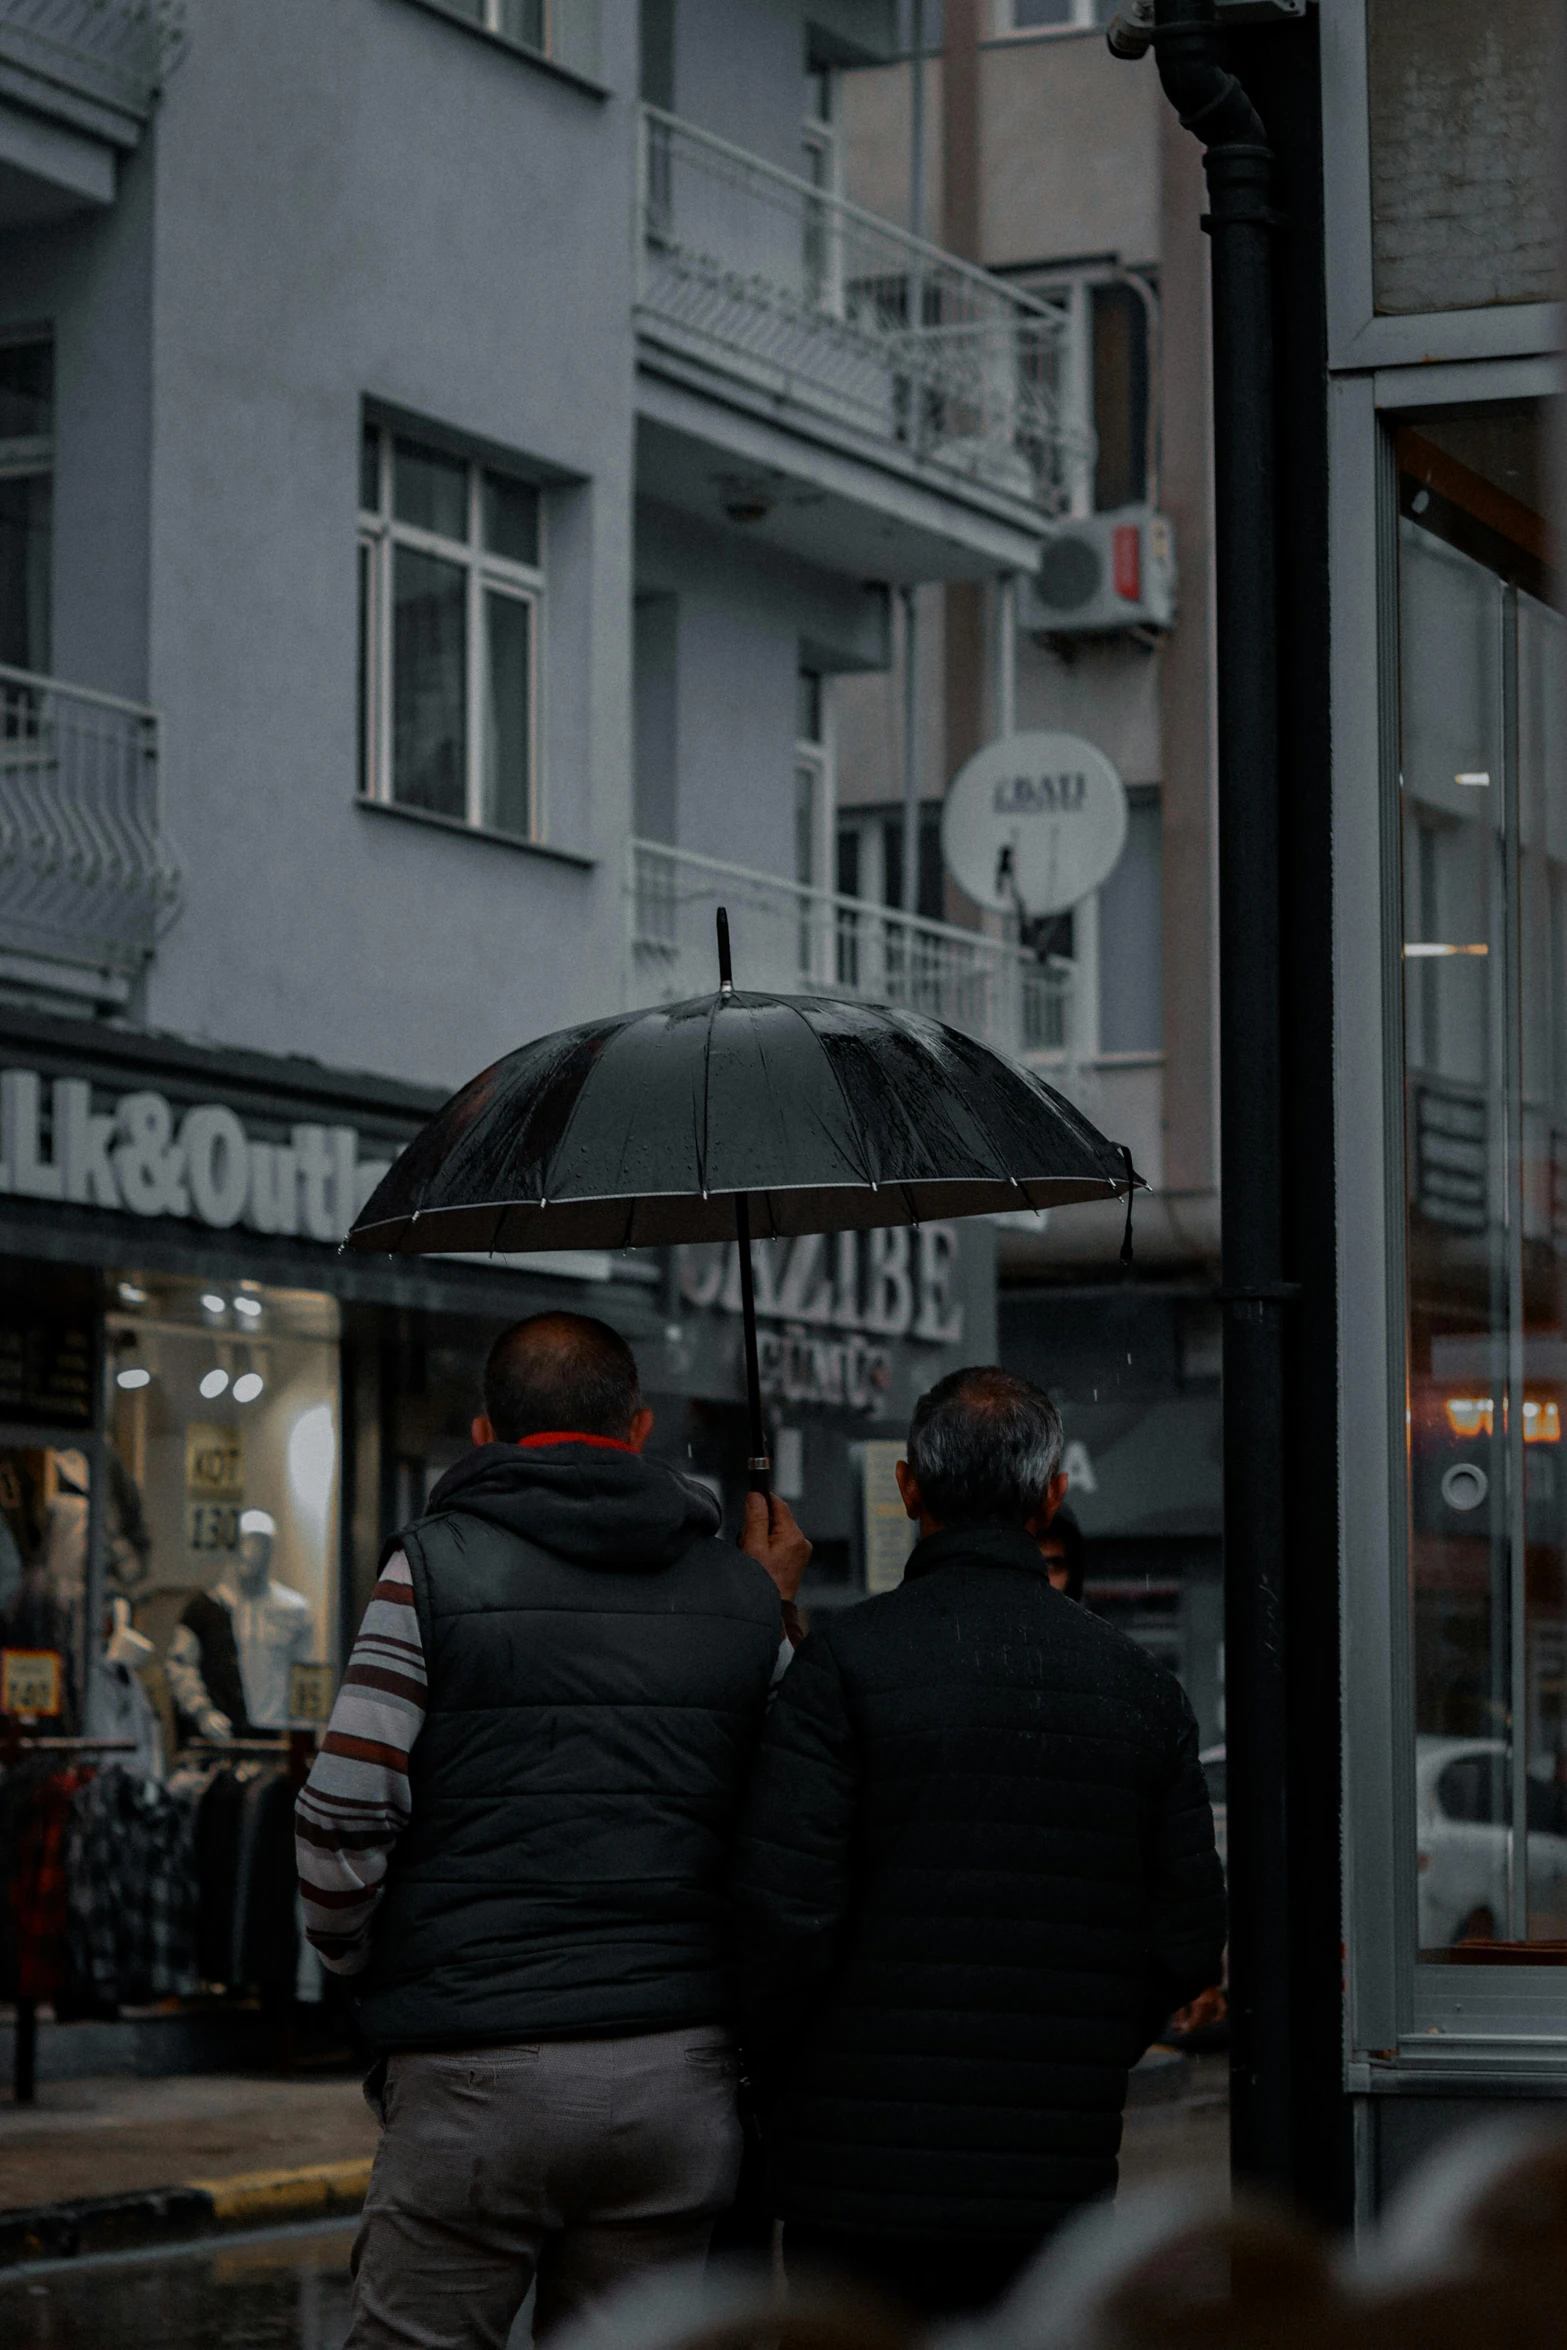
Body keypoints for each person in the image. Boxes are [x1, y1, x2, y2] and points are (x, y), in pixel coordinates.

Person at [296, 1311, 810, 2349]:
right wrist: (769, 1607)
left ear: (485, 1433)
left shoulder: (429, 1571)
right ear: (639, 1427)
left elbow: (344, 1813)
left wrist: (364, 1965)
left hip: (471, 2071)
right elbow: (797, 1827)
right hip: (676, 2079)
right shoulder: (740, 1594)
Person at [730, 1365, 1225, 2318]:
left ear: (908, 1486)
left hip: (856, 2176)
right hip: (1055, 2178)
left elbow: (778, 1914)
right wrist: (1082, 2045)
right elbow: (1185, 1937)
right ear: (1051, 1495)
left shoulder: (844, 1667)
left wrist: (797, 2069)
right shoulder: (1137, 1689)